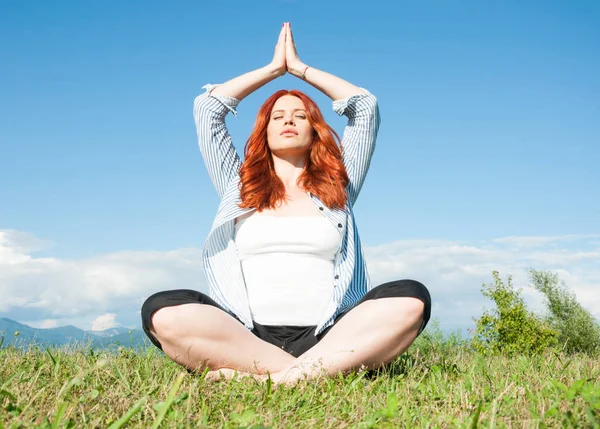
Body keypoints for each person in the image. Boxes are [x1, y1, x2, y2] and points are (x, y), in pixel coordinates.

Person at [141, 23, 431, 386]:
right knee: (163, 310)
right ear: (264, 130)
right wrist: (272, 70)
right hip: (246, 337)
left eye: (300, 115)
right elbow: (207, 109)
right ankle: (312, 373)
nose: (288, 121)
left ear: (315, 130)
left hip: (329, 334)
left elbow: (365, 108)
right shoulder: (238, 185)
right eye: (278, 117)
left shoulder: (339, 185)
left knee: (410, 298)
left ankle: (271, 380)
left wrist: (301, 70)